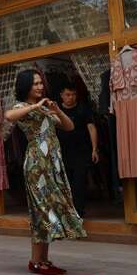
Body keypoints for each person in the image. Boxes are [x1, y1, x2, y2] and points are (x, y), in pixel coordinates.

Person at [5, 69, 86, 275]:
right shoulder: (22, 107)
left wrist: (57, 110)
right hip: (36, 164)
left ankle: (43, 260)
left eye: (41, 83)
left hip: (52, 164)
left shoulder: (46, 108)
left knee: (49, 209)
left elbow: (69, 126)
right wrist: (35, 106)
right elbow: (8, 116)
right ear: (26, 86)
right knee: (40, 210)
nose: (40, 86)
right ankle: (35, 261)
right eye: (35, 83)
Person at [57, 82, 98, 218]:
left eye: (74, 94)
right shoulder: (56, 110)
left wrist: (94, 149)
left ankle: (78, 213)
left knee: (79, 183)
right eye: (68, 94)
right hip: (62, 153)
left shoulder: (83, 109)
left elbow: (91, 128)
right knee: (65, 184)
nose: (71, 97)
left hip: (81, 151)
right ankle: (67, 213)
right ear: (62, 95)